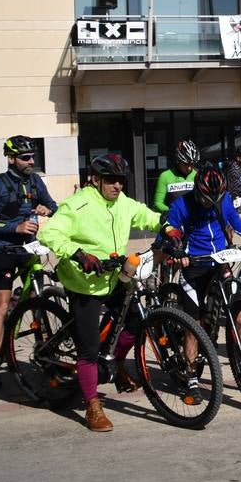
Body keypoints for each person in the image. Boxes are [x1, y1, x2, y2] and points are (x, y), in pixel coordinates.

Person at [38, 153, 164, 432]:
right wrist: (78, 253)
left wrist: (169, 226)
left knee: (133, 323)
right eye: (110, 181)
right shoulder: (77, 204)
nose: (117, 186)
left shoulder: (124, 203)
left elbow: (148, 216)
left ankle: (115, 364)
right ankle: (92, 404)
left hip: (114, 277)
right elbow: (49, 234)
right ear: (95, 180)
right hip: (84, 283)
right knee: (89, 348)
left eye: (120, 181)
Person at [161, 163, 241, 397]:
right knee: (195, 326)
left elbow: (236, 222)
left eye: (216, 198)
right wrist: (177, 250)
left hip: (220, 263)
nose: (211, 203)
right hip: (194, 268)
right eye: (206, 199)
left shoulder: (222, 199)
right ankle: (192, 376)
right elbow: (171, 231)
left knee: (240, 317)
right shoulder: (182, 204)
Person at [0, 135, 58, 390]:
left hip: (29, 248)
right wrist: (15, 226)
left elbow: (54, 206)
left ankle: (43, 351)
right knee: (1, 306)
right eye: (25, 157)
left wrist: (48, 209)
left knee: (37, 300)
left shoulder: (35, 181)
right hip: (3, 249)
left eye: (33, 156)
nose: (31, 161)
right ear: (11, 158)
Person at [153, 140, 199, 213]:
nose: (189, 167)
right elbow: (157, 203)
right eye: (186, 164)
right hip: (174, 219)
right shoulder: (165, 176)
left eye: (192, 164)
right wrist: (174, 212)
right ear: (178, 160)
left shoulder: (198, 175)